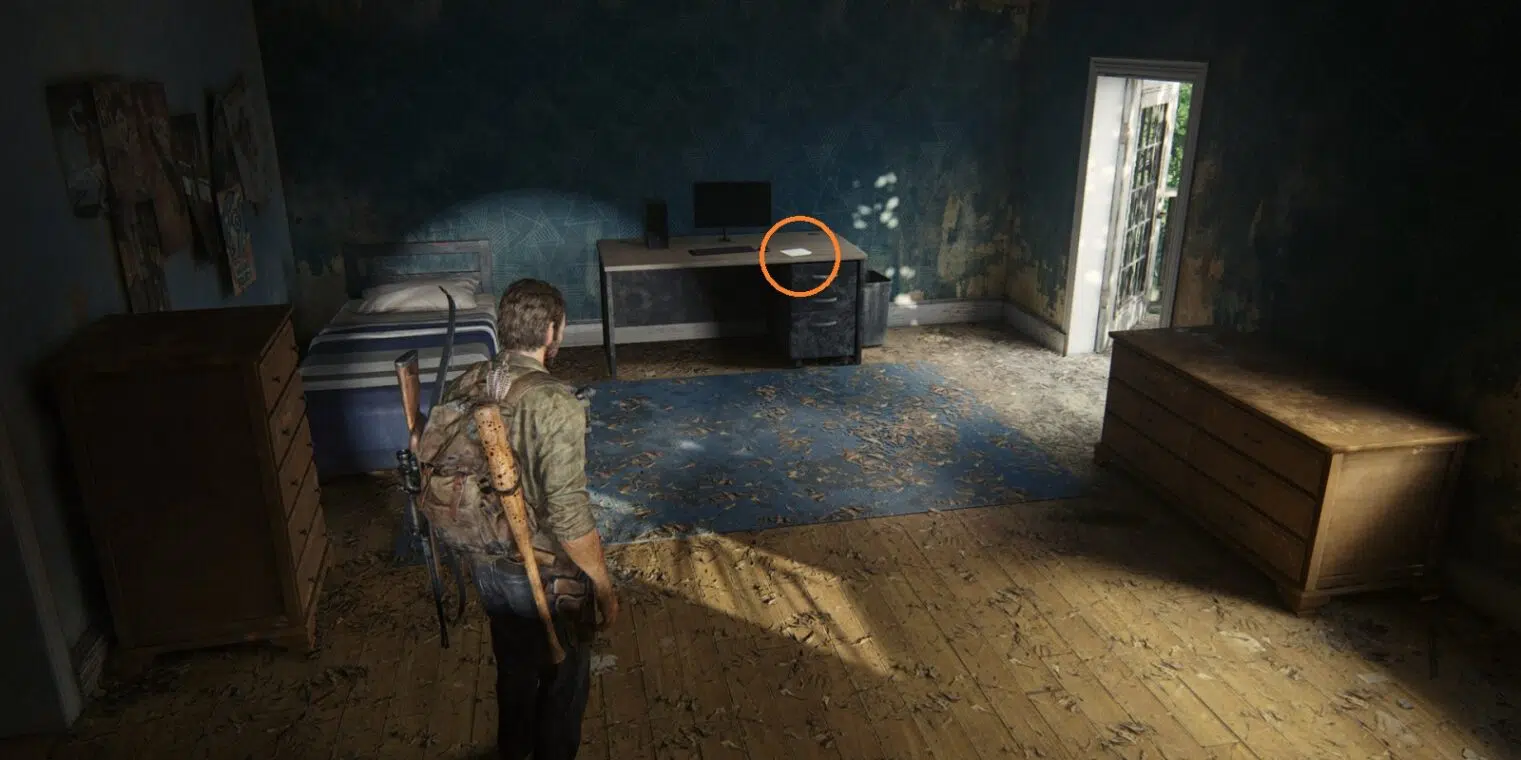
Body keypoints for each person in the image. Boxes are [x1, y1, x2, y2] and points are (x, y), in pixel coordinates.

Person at [443, 278, 619, 760]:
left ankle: (513, 749)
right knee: (565, 680)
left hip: (483, 559)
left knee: (514, 665)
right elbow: (568, 514)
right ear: (551, 331)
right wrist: (602, 583)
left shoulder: (468, 381)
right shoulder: (555, 402)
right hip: (542, 570)